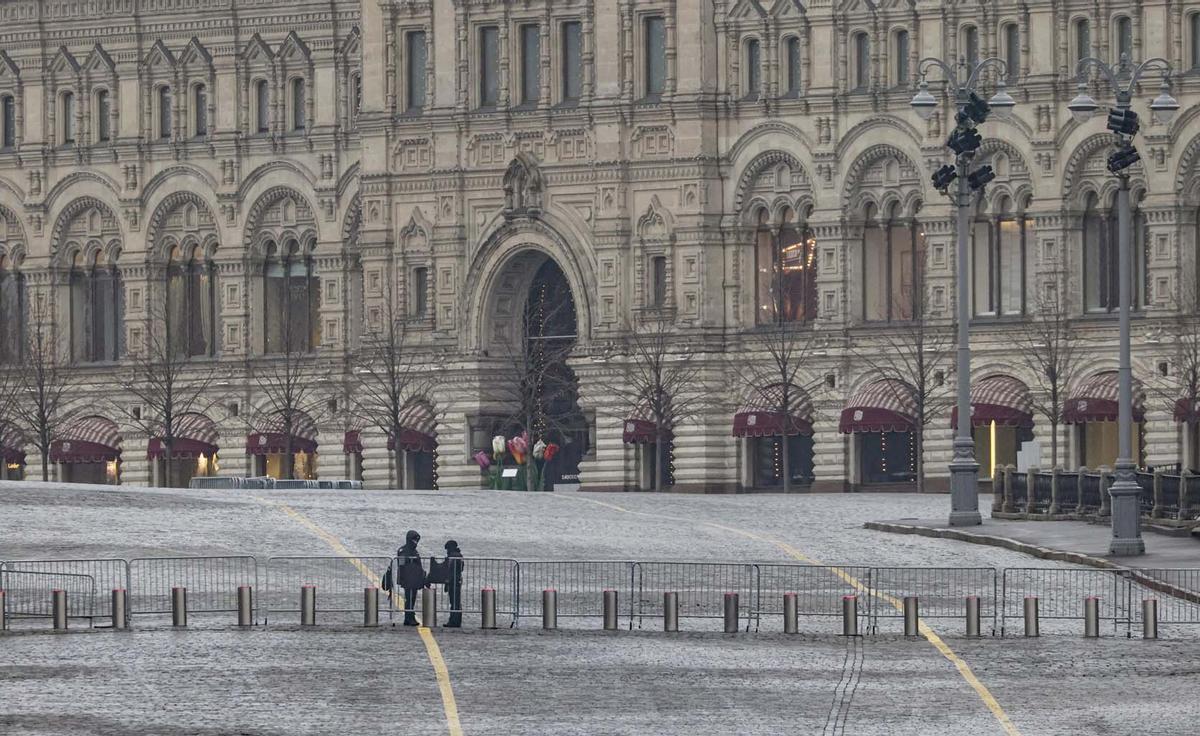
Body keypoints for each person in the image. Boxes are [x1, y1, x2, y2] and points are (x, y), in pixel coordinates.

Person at [394, 530, 425, 626]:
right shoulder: (403, 551)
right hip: (408, 578)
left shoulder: (414, 551)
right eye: (414, 540)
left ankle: (410, 616)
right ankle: (408, 617)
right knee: (409, 598)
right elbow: (401, 564)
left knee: (412, 598)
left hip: (414, 578)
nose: (416, 542)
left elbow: (418, 565)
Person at [443, 540, 465, 628]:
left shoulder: (453, 557)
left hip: (453, 581)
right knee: (456, 602)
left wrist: (447, 581)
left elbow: (450, 571)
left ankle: (453, 621)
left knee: (454, 602)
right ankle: (456, 621)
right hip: (457, 580)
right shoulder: (459, 555)